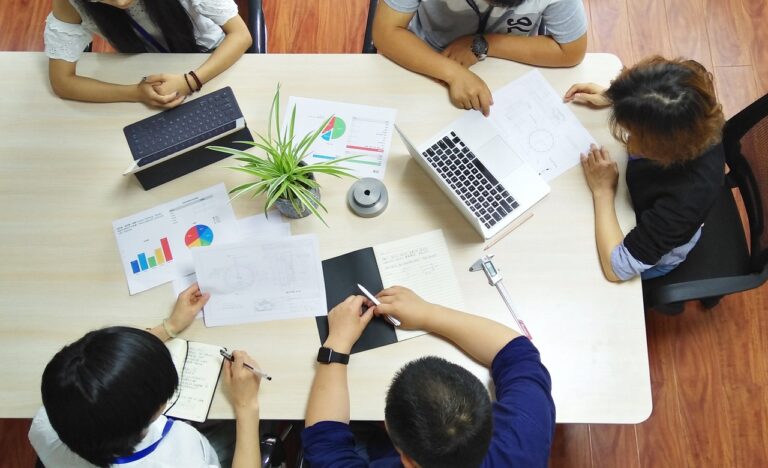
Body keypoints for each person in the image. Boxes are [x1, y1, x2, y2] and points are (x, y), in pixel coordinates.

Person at [302, 286, 555, 467]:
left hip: (376, 451)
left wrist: (337, 343)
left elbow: (325, 443)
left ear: (407, 460)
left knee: (356, 431)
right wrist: (427, 314)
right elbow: (518, 353)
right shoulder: (523, 439)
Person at [28, 283, 263, 468]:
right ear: (155, 410)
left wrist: (167, 328)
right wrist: (246, 405)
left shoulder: (45, 425)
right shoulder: (183, 457)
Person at [564, 56, 726, 282]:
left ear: (662, 149)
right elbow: (658, 94)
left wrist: (603, 191)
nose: (627, 136)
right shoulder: (696, 108)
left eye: (633, 132)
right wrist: (618, 99)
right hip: (644, 197)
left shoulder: (684, 200)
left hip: (659, 253)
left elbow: (616, 268)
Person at [372, 0, 588, 116]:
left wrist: (484, 43)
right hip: (426, 51)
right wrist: (452, 73)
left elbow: (571, 50)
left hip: (507, 61)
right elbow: (385, 32)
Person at [45, 0, 252, 108]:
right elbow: (62, 82)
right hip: (148, 72)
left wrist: (189, 81)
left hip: (211, 57)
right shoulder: (69, 3)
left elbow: (241, 35)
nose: (119, 1)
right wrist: (135, 93)